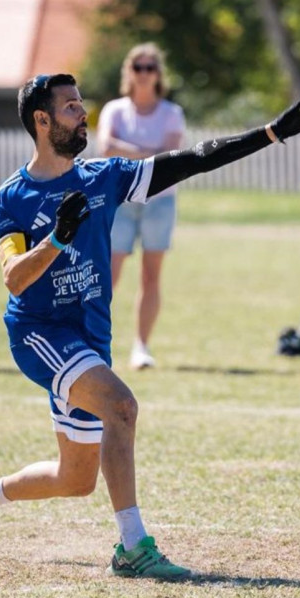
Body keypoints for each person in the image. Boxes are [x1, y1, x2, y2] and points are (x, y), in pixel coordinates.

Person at [0, 73, 300, 578]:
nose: (84, 114)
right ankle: (133, 548)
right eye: (71, 108)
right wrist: (57, 238)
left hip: (88, 338)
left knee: (76, 478)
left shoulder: (104, 177)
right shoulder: (8, 200)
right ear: (41, 121)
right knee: (121, 406)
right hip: (40, 335)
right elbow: (14, 279)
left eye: (81, 105)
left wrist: (271, 133)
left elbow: (194, 160)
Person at [98, 44, 185, 369]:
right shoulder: (115, 110)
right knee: (109, 273)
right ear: (129, 72)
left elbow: (171, 156)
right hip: (121, 200)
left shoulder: (171, 112)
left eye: (150, 67)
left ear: (158, 74)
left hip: (159, 202)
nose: (145, 73)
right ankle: (94, 341)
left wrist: (131, 153)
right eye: (139, 67)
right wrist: (150, 153)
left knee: (151, 276)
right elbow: (107, 147)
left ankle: (141, 346)